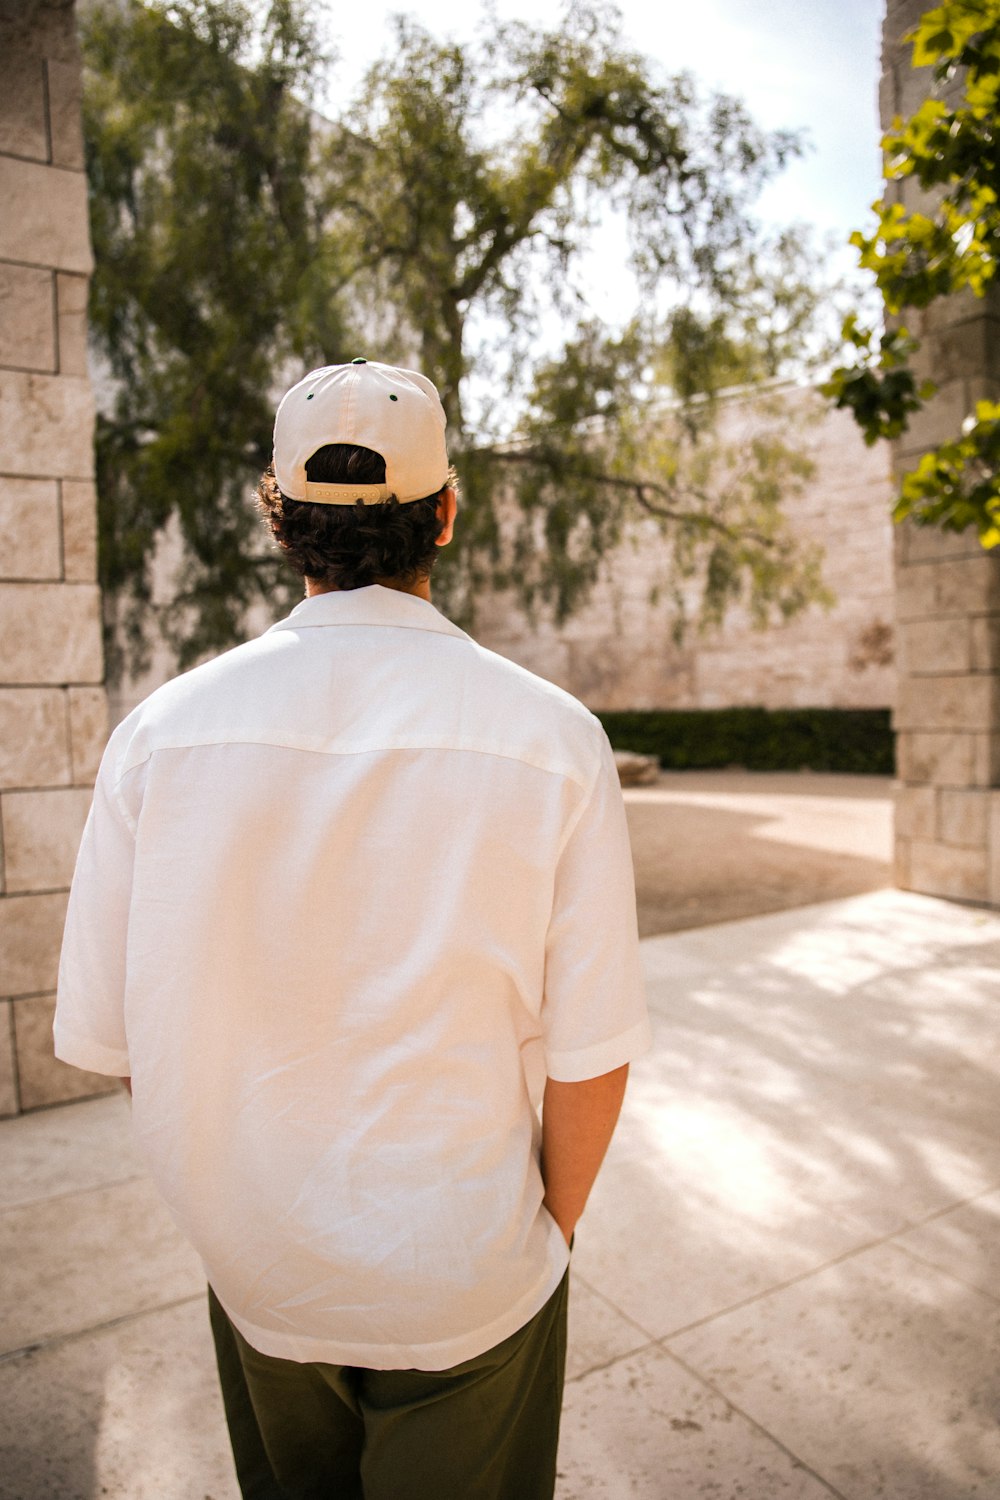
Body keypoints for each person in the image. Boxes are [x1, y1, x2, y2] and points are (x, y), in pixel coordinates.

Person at [54, 358, 651, 1500]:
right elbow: (592, 1056)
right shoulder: (556, 740)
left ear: (276, 516)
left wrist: (239, 1206)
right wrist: (546, 1236)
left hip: (259, 1268)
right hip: (472, 1274)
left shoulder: (158, 737)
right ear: (447, 511)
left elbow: (130, 1044)